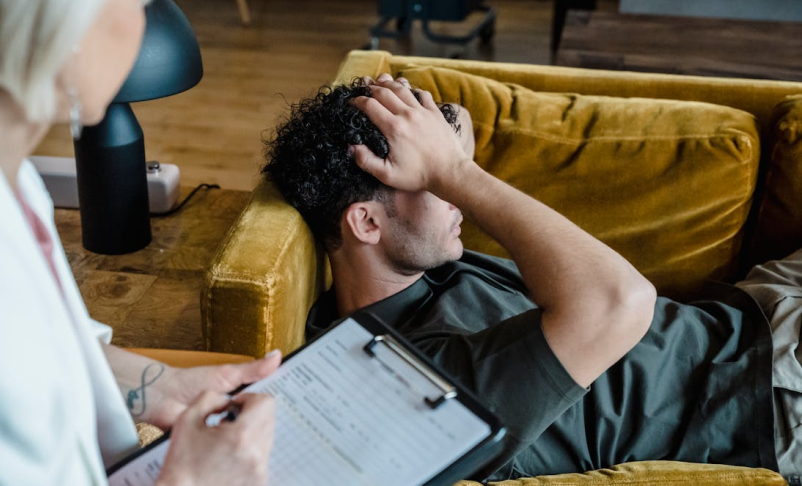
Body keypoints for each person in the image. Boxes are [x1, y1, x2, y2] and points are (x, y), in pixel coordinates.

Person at [263, 75, 802, 481]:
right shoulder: (416, 378)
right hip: (767, 387)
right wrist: (454, 173)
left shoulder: (417, 269)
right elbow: (621, 300)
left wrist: (440, 149)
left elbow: (457, 139)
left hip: (752, 307)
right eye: (432, 181)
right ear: (366, 222)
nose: (462, 203)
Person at [0, 0, 279, 484]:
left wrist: (157, 383)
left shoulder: (8, 170)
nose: (144, 29)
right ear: (68, 12)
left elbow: (35, 358)